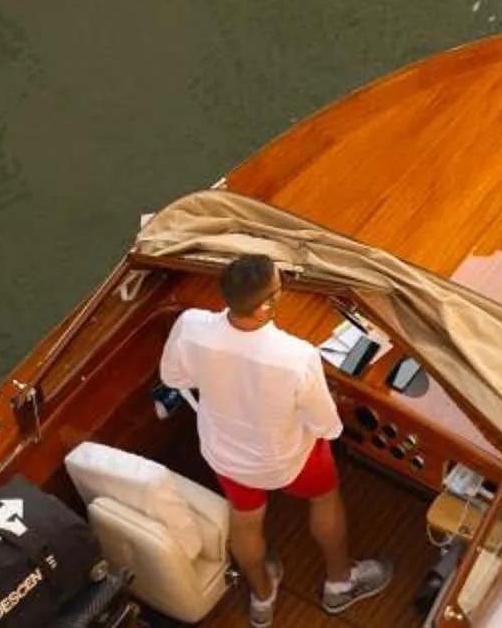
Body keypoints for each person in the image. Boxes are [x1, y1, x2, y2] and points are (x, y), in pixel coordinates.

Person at [159, 254, 393, 622]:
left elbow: (174, 378)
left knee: (245, 520)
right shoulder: (297, 357)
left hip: (226, 457)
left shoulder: (190, 325)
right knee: (324, 497)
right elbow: (328, 427)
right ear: (267, 304)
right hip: (289, 460)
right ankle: (340, 583)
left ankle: (262, 600)